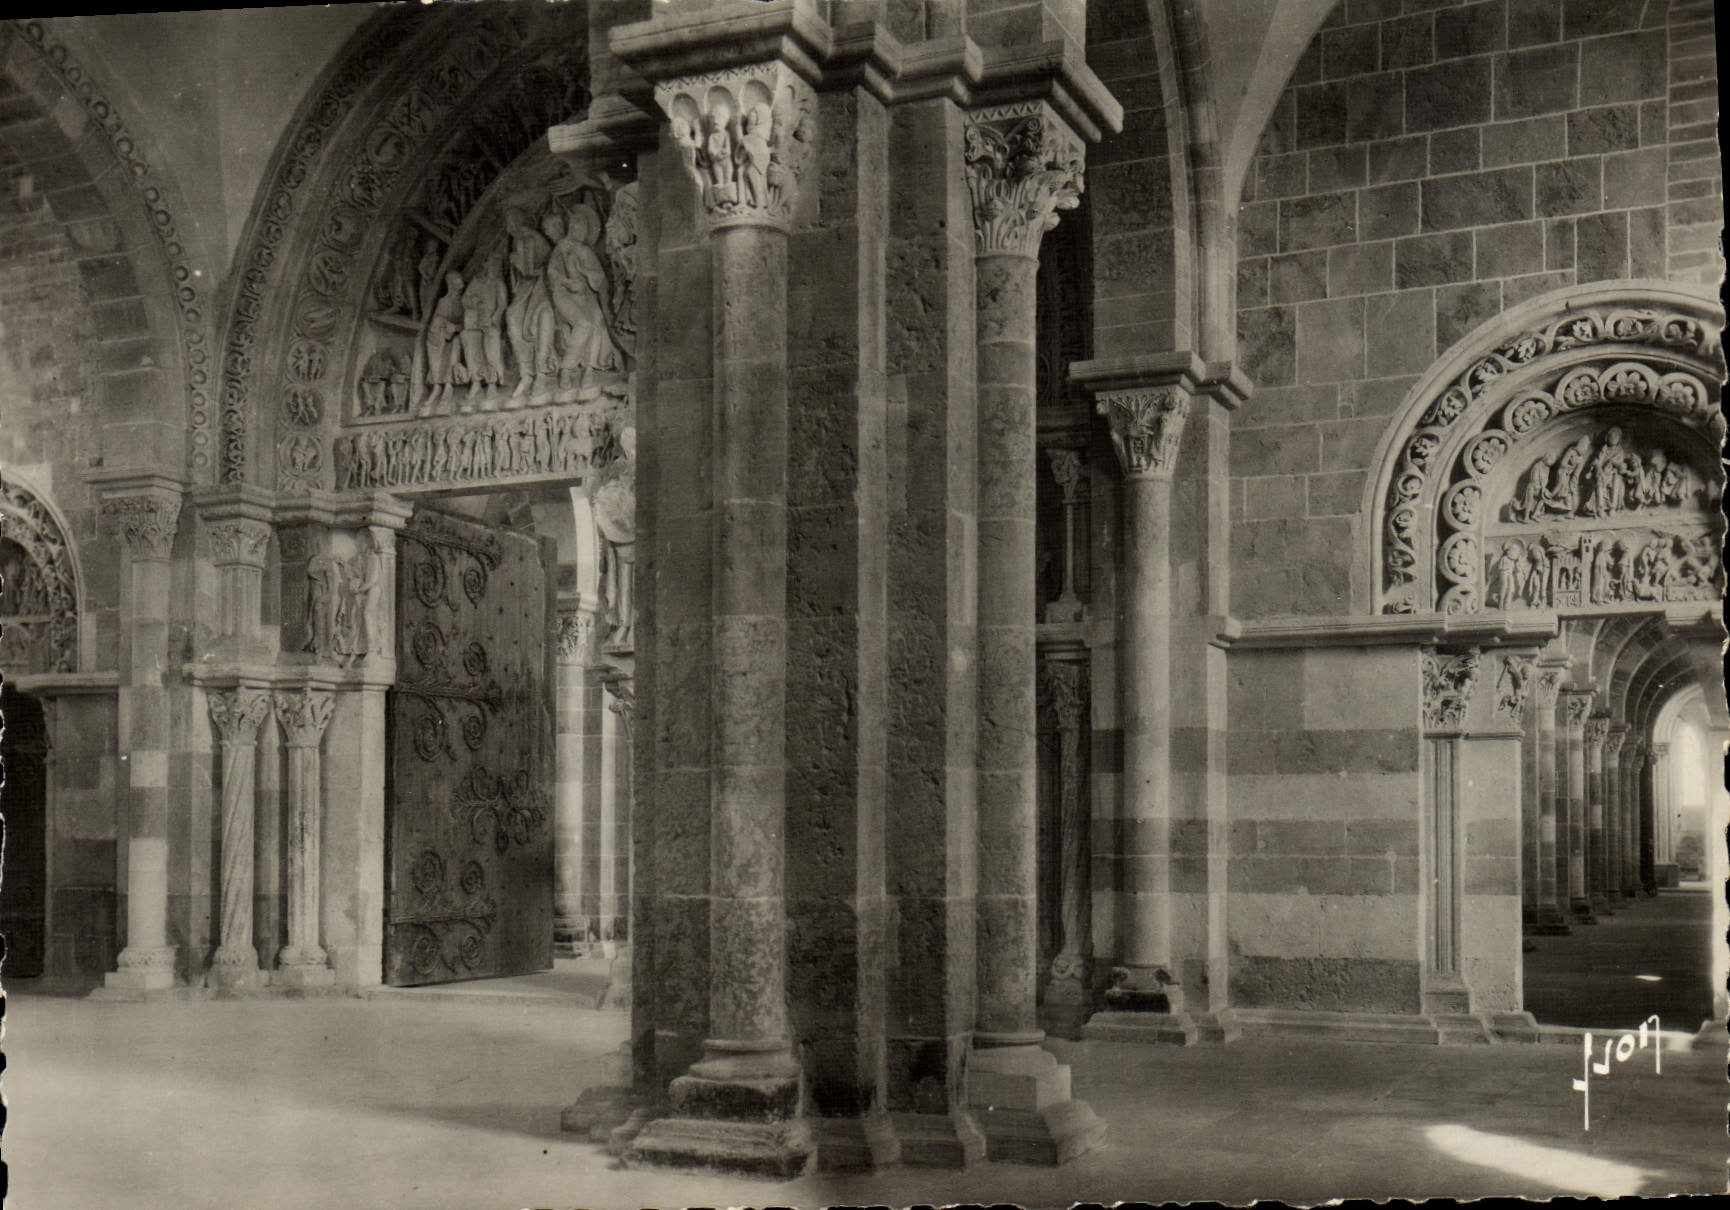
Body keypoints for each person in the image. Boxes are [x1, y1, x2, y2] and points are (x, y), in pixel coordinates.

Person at [546, 206, 618, 400]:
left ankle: (589, 368)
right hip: (564, 293)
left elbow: (599, 277)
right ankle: (566, 369)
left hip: (585, 294)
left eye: (584, 228)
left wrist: (584, 273)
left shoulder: (586, 251)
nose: (580, 231)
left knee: (597, 321)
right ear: (571, 227)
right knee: (583, 323)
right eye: (577, 226)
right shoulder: (562, 248)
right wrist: (566, 282)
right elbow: (552, 272)